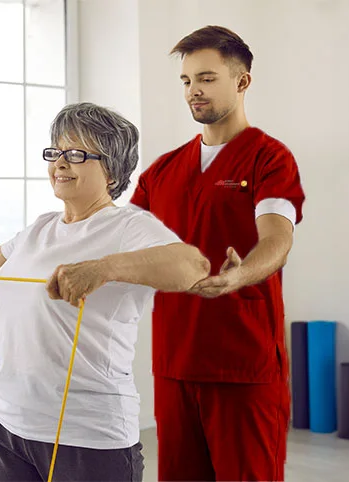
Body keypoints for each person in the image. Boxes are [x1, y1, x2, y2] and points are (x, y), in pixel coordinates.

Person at [0, 102, 213, 482]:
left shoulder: (127, 227)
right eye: (55, 152)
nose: (60, 163)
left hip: (88, 437)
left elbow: (193, 267)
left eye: (76, 154)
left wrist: (103, 269)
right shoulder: (40, 229)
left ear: (111, 171)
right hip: (10, 426)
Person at [127, 26, 307, 481]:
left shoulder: (269, 159)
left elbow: (277, 239)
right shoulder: (161, 172)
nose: (194, 91)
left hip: (242, 367)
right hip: (174, 364)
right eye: (186, 81)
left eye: (206, 78)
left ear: (242, 82)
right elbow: (118, 242)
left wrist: (240, 275)